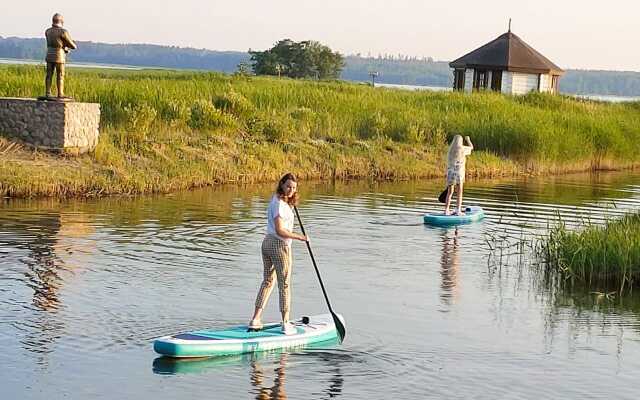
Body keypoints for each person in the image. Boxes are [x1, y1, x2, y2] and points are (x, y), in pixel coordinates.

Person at [249, 173, 308, 335]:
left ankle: (256, 319)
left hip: (267, 242)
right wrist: (300, 237)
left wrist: (291, 200)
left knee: (268, 281)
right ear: (282, 184)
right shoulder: (280, 205)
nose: (291, 190)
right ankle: (285, 323)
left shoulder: (278, 199)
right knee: (285, 284)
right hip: (279, 245)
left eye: (294, 188)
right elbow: (280, 230)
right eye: (288, 186)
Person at [44, 13, 77, 98]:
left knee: (49, 74)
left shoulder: (48, 31)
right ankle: (60, 93)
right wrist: (67, 46)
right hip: (59, 55)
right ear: (61, 21)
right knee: (60, 75)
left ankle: (48, 92)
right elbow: (72, 45)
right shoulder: (63, 31)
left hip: (49, 54)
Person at [444, 135, 473, 215]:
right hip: (459, 173)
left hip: (450, 173)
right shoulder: (462, 149)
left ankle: (446, 210)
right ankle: (458, 210)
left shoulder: (450, 150)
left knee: (450, 192)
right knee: (459, 192)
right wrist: (468, 139)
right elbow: (471, 147)